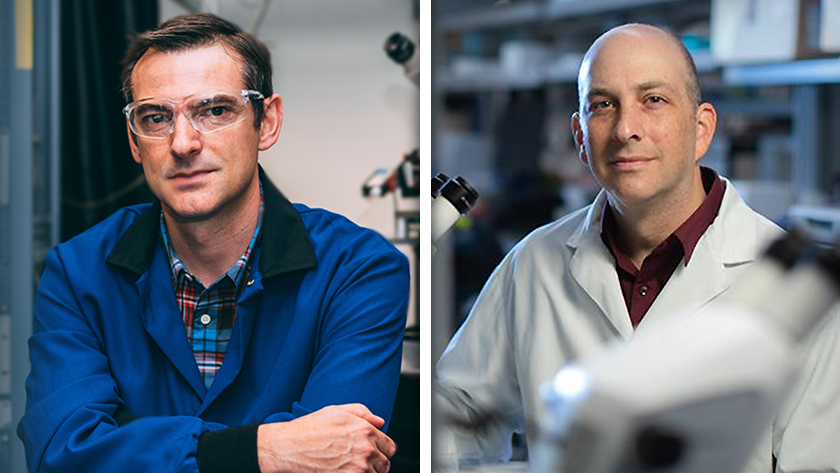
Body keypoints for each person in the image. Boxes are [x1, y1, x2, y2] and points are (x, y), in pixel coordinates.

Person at [436, 23, 840, 472]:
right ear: (580, 137)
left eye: (654, 100)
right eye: (603, 105)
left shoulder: (803, 295)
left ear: (702, 128)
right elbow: (460, 414)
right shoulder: (531, 264)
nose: (626, 129)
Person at [18, 13, 409, 473]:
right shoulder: (77, 271)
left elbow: (341, 459)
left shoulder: (358, 269)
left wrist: (133, 449)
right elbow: (61, 455)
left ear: (266, 122)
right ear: (134, 140)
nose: (183, 142)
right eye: (156, 116)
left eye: (215, 110)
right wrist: (266, 450)